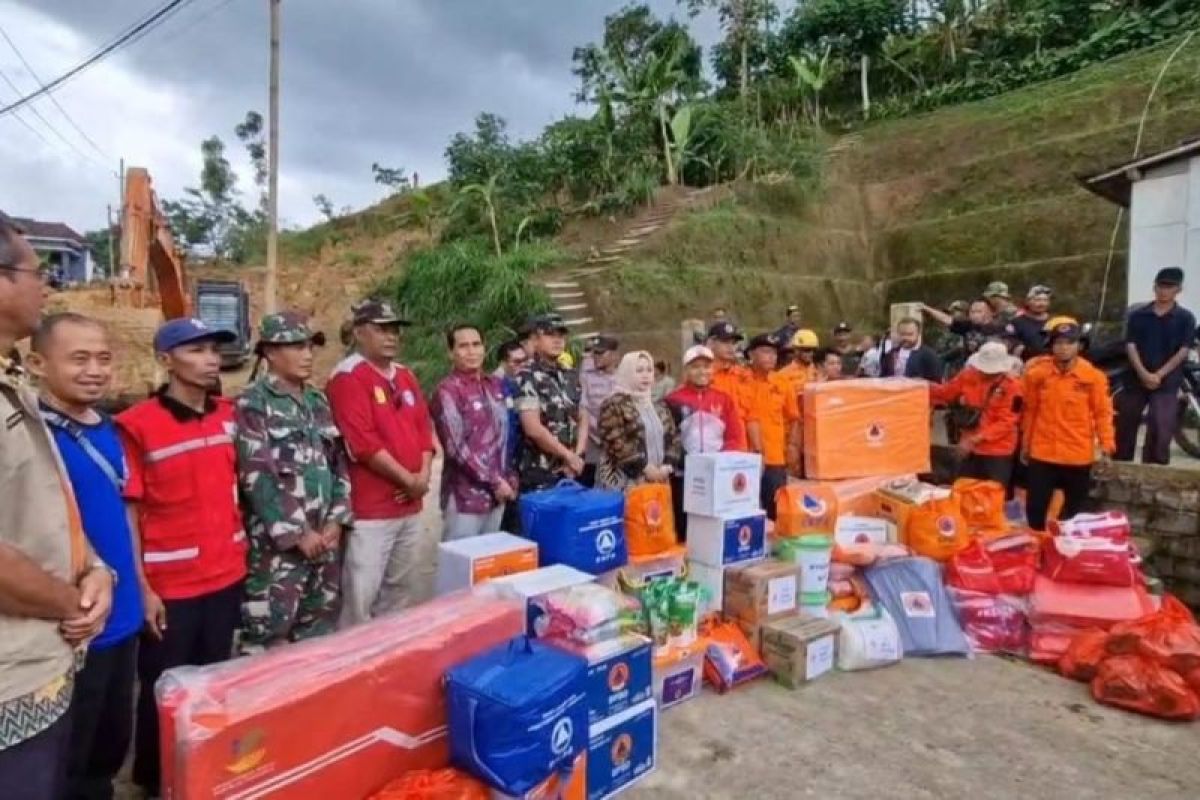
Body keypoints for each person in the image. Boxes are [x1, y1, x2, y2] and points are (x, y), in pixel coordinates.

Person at [0, 216, 113, 800]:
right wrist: (75, 603)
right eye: (36, 272)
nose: (46, 286)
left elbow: (44, 505)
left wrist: (96, 568)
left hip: (44, 661)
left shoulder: (12, 383)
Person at [116, 317, 246, 797]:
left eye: (213, 350)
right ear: (165, 359)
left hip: (226, 573)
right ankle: (156, 780)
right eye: (195, 350)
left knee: (212, 683)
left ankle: (202, 772)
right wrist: (143, 588)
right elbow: (130, 513)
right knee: (163, 688)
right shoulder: (136, 426)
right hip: (172, 585)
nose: (210, 360)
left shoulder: (229, 416)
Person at [27, 314, 140, 800]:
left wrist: (142, 589)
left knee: (108, 751)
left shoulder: (109, 428)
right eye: (79, 359)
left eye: (103, 358)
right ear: (37, 364)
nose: (94, 370)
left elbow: (126, 516)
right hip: (75, 628)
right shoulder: (33, 436)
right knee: (65, 763)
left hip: (124, 617)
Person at [236, 312, 351, 653]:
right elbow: (257, 474)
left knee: (317, 635)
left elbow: (338, 464)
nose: (307, 355)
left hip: (324, 543)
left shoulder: (317, 400)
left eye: (310, 347)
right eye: (296, 347)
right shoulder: (253, 402)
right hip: (279, 552)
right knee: (269, 641)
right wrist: (299, 532)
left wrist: (337, 520)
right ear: (270, 352)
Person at [328, 299, 436, 624]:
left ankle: (390, 651)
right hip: (371, 510)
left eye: (395, 330)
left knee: (399, 593)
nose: (391, 336)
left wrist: (422, 478)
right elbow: (362, 443)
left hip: (410, 504)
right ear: (359, 332)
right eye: (381, 329)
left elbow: (424, 429)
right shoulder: (348, 376)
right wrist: (409, 480)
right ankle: (355, 653)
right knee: (361, 597)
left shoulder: (405, 375)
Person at [1022, 318, 1115, 531]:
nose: (1063, 348)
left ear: (1079, 346)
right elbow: (1030, 411)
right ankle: (1038, 544)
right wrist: (1026, 444)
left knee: (1075, 514)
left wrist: (1106, 447)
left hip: (1077, 455)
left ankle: (1068, 547)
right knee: (1035, 509)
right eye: (1058, 343)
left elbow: (1103, 414)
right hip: (1043, 452)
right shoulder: (1037, 375)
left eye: (1069, 343)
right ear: (1051, 346)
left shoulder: (1093, 377)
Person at [432, 324, 515, 539]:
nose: (471, 351)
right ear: (451, 352)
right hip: (465, 498)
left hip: (498, 496)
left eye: (476, 344)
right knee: (460, 557)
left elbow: (506, 436)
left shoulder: (494, 385)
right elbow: (456, 448)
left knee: (490, 557)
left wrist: (509, 476)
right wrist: (495, 481)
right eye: (463, 346)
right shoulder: (448, 391)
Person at [1117, 267, 1196, 465]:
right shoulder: (1138, 315)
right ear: (1154, 287)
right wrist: (1143, 373)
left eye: (1169, 287)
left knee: (1161, 426)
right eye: (1161, 286)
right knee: (1125, 422)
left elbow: (1183, 350)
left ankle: (1154, 468)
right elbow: (1131, 345)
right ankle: (1121, 465)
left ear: (1178, 289)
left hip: (1167, 380)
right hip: (1136, 377)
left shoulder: (1185, 318)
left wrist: (1159, 374)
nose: (1164, 291)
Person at [930, 341, 1023, 485]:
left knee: (991, 493)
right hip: (969, 447)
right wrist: (920, 386)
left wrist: (974, 440)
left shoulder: (1015, 388)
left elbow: (1007, 422)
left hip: (997, 451)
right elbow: (946, 393)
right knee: (964, 489)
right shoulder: (968, 375)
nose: (986, 373)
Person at [516, 313, 587, 493]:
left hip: (573, 469)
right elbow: (532, 428)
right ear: (535, 340)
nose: (557, 340)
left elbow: (582, 416)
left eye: (561, 335)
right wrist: (567, 455)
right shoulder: (526, 376)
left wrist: (577, 456)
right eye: (550, 334)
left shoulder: (570, 374)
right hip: (541, 472)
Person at [596, 351, 683, 491]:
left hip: (659, 480)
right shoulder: (613, 404)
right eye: (639, 370)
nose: (645, 375)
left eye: (649, 370)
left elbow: (673, 437)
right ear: (627, 372)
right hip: (625, 482)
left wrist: (667, 466)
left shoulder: (658, 405)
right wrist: (644, 467)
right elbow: (616, 441)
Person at [743, 333, 801, 519]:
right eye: (765, 352)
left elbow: (794, 418)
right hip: (745, 455)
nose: (771, 357)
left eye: (774, 353)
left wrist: (792, 446)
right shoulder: (741, 380)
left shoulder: (782, 383)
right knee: (744, 510)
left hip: (775, 458)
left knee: (776, 511)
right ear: (751, 354)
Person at [580, 334, 619, 487]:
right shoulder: (586, 377)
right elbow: (583, 408)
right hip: (592, 444)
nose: (596, 356)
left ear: (614, 355)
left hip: (616, 445)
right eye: (594, 353)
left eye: (600, 353)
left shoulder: (623, 377)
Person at [707, 320, 751, 450]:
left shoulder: (743, 376)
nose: (731, 347)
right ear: (711, 343)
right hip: (714, 449)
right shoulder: (703, 376)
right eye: (725, 342)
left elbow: (751, 416)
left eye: (733, 343)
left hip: (741, 448)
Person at [922, 298, 1007, 360]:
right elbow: (946, 319)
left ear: (990, 313)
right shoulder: (967, 326)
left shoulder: (1000, 329)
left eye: (979, 311)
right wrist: (926, 308)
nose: (975, 315)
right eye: (972, 312)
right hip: (970, 369)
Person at [881, 318, 943, 382]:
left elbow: (936, 382)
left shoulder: (929, 355)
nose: (905, 337)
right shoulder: (890, 354)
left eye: (909, 334)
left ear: (918, 334)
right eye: (902, 334)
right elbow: (882, 378)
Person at [1011, 285, 1053, 361]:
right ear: (1028, 302)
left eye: (1045, 300)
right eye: (1037, 300)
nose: (1042, 303)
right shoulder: (1017, 322)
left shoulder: (1055, 322)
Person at [778, 329, 819, 398]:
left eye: (814, 350)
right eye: (807, 350)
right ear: (796, 350)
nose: (811, 353)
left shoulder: (819, 370)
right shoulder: (783, 375)